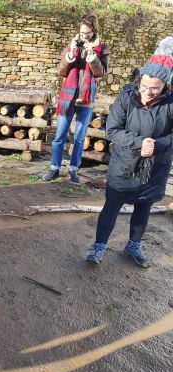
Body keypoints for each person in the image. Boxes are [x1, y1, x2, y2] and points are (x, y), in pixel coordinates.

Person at [86, 37, 173, 268]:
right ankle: (99, 246)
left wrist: (158, 144)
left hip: (156, 166)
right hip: (124, 163)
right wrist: (139, 142)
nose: (147, 92)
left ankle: (133, 244)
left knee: (144, 205)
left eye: (155, 89)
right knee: (112, 204)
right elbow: (112, 130)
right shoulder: (126, 96)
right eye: (144, 86)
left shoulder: (171, 102)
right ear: (139, 79)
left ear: (166, 85)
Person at [43, 13, 110, 183]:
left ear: (93, 32)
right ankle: (54, 168)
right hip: (68, 97)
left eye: (86, 34)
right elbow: (61, 71)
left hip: (86, 100)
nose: (83, 36)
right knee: (59, 136)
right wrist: (71, 54)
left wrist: (92, 57)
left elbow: (101, 73)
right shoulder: (71, 45)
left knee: (79, 139)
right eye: (81, 33)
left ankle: (73, 170)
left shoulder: (101, 48)